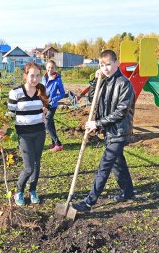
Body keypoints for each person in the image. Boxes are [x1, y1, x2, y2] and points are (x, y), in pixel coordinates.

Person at [72, 49, 136, 212]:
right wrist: (95, 81)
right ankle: (127, 191)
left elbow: (121, 112)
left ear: (116, 63)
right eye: (102, 65)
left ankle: (89, 202)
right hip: (109, 130)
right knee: (117, 163)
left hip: (120, 131)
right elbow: (92, 99)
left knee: (105, 165)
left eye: (108, 64)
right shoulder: (104, 81)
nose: (105, 68)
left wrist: (97, 123)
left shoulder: (124, 84)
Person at [0, 62, 49, 206]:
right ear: (25, 75)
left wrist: (44, 113)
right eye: (32, 75)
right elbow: (9, 113)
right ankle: (19, 191)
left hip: (39, 132)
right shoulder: (16, 93)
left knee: (36, 163)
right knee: (29, 167)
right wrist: (4, 129)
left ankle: (32, 190)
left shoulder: (41, 91)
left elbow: (46, 107)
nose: (35, 79)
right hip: (24, 134)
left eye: (38, 75)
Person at [42, 60, 65, 152]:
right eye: (48, 67)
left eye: (52, 67)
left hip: (52, 105)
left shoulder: (58, 79)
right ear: (46, 67)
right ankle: (54, 143)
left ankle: (58, 144)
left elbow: (62, 93)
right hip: (45, 104)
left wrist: (53, 99)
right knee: (51, 123)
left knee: (47, 123)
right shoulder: (44, 78)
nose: (50, 69)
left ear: (55, 68)